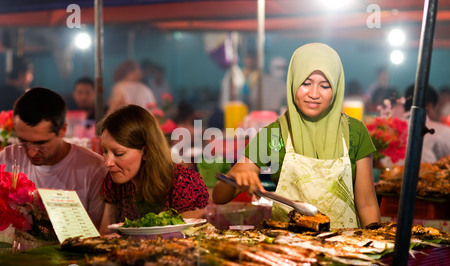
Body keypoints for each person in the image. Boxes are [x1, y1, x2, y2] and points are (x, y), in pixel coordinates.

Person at [213, 43, 380, 229]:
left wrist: (378, 247)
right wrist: (237, 179)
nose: (314, 94)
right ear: (293, 82)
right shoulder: (274, 135)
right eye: (306, 83)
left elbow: (367, 204)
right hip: (288, 251)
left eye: (325, 85)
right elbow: (219, 197)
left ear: (337, 88)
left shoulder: (354, 132)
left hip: (346, 251)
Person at [0, 87, 107, 228]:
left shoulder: (92, 168)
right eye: (23, 142)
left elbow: (98, 235)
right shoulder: (8, 158)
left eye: (41, 143)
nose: (31, 153)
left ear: (62, 130)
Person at [98, 104, 209, 235]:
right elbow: (106, 232)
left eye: (118, 153)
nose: (108, 162)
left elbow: (191, 236)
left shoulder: (183, 182)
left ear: (146, 151)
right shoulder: (114, 180)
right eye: (104, 151)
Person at [403, 84, 450, 163]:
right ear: (430, 106)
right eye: (437, 107)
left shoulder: (386, 128)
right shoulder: (442, 131)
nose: (438, 112)